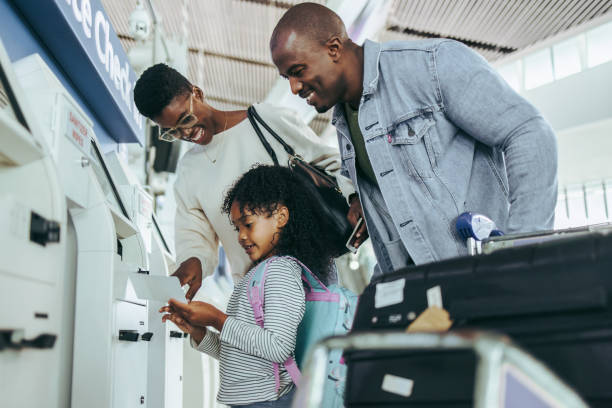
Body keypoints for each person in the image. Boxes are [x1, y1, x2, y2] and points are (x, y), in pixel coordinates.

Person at [269, 3, 558, 276]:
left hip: (489, 277)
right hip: (429, 298)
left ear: (333, 48)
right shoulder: (345, 125)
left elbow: (529, 132)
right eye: (287, 79)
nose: (294, 88)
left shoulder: (430, 65)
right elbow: (398, 231)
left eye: (298, 71)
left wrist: (522, 248)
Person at [133, 63, 360, 299]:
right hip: (253, 290)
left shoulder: (265, 121)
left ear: (197, 93)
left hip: (310, 276)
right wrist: (193, 261)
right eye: (173, 132)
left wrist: (353, 196)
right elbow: (193, 231)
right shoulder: (189, 170)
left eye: (186, 119)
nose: (186, 134)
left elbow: (328, 161)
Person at [159, 165, 339, 407]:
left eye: (248, 224)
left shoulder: (281, 271)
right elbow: (243, 358)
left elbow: (278, 348)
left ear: (281, 217)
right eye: (237, 228)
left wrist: (217, 319)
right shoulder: (258, 274)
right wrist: (198, 331)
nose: (241, 236)